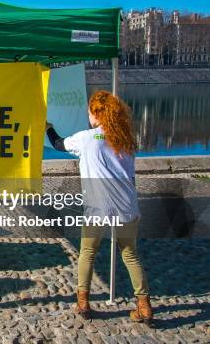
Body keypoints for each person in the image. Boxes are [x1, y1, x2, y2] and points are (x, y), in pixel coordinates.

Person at [46, 90, 153, 325]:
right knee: (130, 254)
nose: (88, 117)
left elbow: (58, 143)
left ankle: (83, 302)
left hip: (98, 209)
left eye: (89, 113)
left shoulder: (87, 139)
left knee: (88, 253)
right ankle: (143, 304)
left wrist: (48, 127)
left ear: (96, 113)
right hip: (126, 207)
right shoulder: (125, 141)